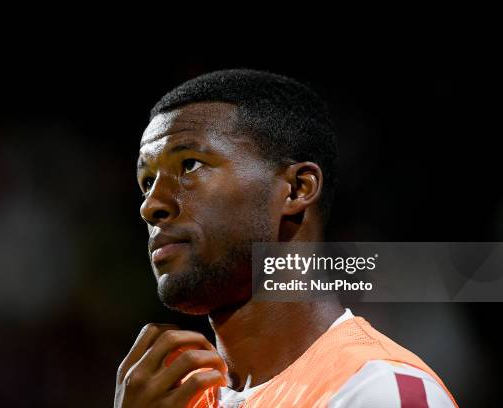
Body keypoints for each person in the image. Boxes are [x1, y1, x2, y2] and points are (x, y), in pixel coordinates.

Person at [115, 69, 458, 407]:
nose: (150, 205)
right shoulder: (177, 401)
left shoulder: (378, 391)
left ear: (296, 189)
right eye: (147, 182)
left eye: (189, 164)